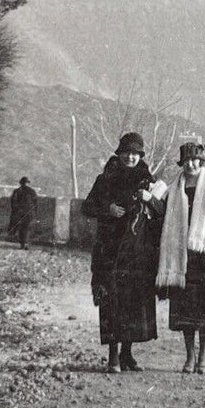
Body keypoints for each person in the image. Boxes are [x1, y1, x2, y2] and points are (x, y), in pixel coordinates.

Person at [81, 131, 164, 373]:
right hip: (111, 252)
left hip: (139, 254)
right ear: (119, 154)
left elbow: (162, 212)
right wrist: (108, 209)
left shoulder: (149, 181)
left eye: (135, 154)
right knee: (112, 300)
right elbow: (87, 207)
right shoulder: (105, 179)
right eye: (127, 153)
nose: (131, 157)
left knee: (134, 303)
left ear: (140, 156)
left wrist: (151, 199)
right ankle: (113, 356)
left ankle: (127, 354)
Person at [155, 141, 205, 375]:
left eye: (195, 160)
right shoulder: (174, 189)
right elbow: (161, 215)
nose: (191, 164)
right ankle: (189, 358)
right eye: (187, 160)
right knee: (186, 310)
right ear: (182, 163)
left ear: (201, 161)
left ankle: (203, 359)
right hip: (183, 256)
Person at [8, 176, 38, 249]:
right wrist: (34, 212)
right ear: (27, 183)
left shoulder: (17, 191)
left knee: (21, 228)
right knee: (27, 228)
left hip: (20, 212)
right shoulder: (32, 191)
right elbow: (36, 203)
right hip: (29, 213)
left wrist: (15, 211)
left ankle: (23, 244)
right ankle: (25, 243)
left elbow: (13, 202)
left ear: (21, 183)